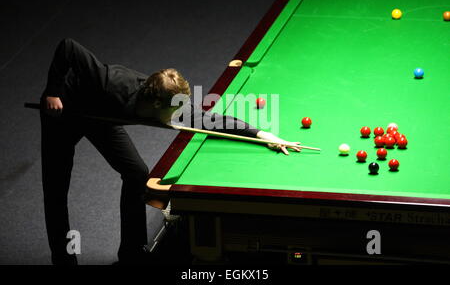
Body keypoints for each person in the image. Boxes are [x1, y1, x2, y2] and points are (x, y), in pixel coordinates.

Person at [41, 38, 301, 265]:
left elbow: (211, 120)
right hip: (65, 112)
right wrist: (53, 92)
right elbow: (68, 46)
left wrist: (262, 135)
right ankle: (63, 259)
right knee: (56, 188)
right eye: (174, 109)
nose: (180, 114)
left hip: (103, 118)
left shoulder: (166, 103)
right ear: (155, 104)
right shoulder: (107, 82)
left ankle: (132, 253)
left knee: (136, 173)